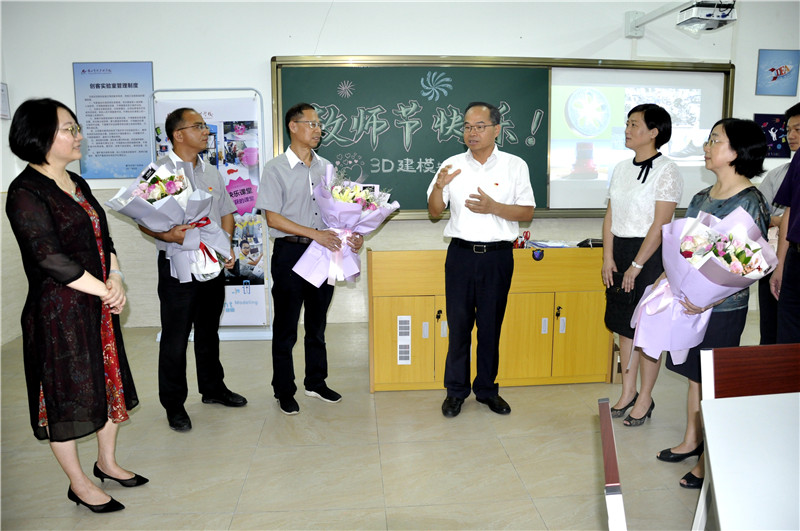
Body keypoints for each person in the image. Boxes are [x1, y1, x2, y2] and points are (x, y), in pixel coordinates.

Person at [5, 99, 147, 513]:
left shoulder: (76, 182)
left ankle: (107, 463)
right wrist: (104, 289)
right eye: (69, 128)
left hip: (96, 303)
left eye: (76, 126)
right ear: (40, 137)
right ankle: (79, 483)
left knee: (107, 381)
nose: (78, 135)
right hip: (58, 313)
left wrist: (115, 277)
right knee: (64, 395)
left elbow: (104, 239)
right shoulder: (25, 192)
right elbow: (48, 257)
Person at [656, 118, 770, 489]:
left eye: (715, 140)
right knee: (695, 376)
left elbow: (743, 266)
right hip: (690, 303)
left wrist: (706, 300)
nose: (706, 147)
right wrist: (668, 279)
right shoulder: (701, 197)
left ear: (737, 151)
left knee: (713, 382)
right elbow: (686, 249)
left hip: (721, 309)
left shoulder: (750, 201)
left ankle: (709, 460)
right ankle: (692, 440)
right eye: (708, 140)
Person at [138, 108, 247, 432]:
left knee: (209, 330)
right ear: (178, 134)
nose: (205, 131)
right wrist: (166, 235)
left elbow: (226, 212)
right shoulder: (159, 172)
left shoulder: (210, 171)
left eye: (205, 126)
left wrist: (226, 245)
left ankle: (213, 388)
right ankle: (174, 405)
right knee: (175, 337)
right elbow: (143, 219)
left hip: (211, 262)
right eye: (198, 126)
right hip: (178, 265)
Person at [427, 101, 535, 418]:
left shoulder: (515, 165)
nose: (471, 132)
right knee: (459, 328)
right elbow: (434, 211)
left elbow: (527, 212)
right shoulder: (451, 165)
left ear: (496, 129)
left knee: (490, 328)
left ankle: (487, 390)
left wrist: (493, 207)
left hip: (497, 258)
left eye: (479, 126)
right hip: (460, 256)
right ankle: (455, 392)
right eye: (467, 127)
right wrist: (439, 187)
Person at [256, 102, 363, 415]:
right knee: (286, 327)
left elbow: (338, 211)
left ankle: (316, 382)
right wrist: (315, 234)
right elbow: (273, 218)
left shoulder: (326, 167)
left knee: (317, 324)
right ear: (293, 126)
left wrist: (352, 234)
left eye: (319, 125)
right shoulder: (275, 168)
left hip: (324, 251)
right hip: (290, 253)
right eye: (312, 124)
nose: (318, 130)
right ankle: (284, 389)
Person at [601, 104, 683, 427]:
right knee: (624, 325)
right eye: (627, 123)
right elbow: (611, 215)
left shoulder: (667, 170)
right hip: (620, 251)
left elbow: (661, 223)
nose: (627, 130)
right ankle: (628, 392)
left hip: (650, 255)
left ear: (654, 132)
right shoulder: (621, 168)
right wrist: (608, 257)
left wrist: (637, 264)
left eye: (634, 124)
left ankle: (645, 397)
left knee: (648, 330)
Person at [758, 103, 800, 344]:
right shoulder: (788, 168)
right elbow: (786, 214)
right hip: (790, 254)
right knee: (782, 331)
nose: (791, 135)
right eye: (788, 130)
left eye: (798, 130)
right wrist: (781, 264)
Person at [770, 130, 800, 344]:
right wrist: (780, 265)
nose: (792, 135)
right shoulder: (799, 158)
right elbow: (790, 210)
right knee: (788, 335)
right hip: (795, 258)